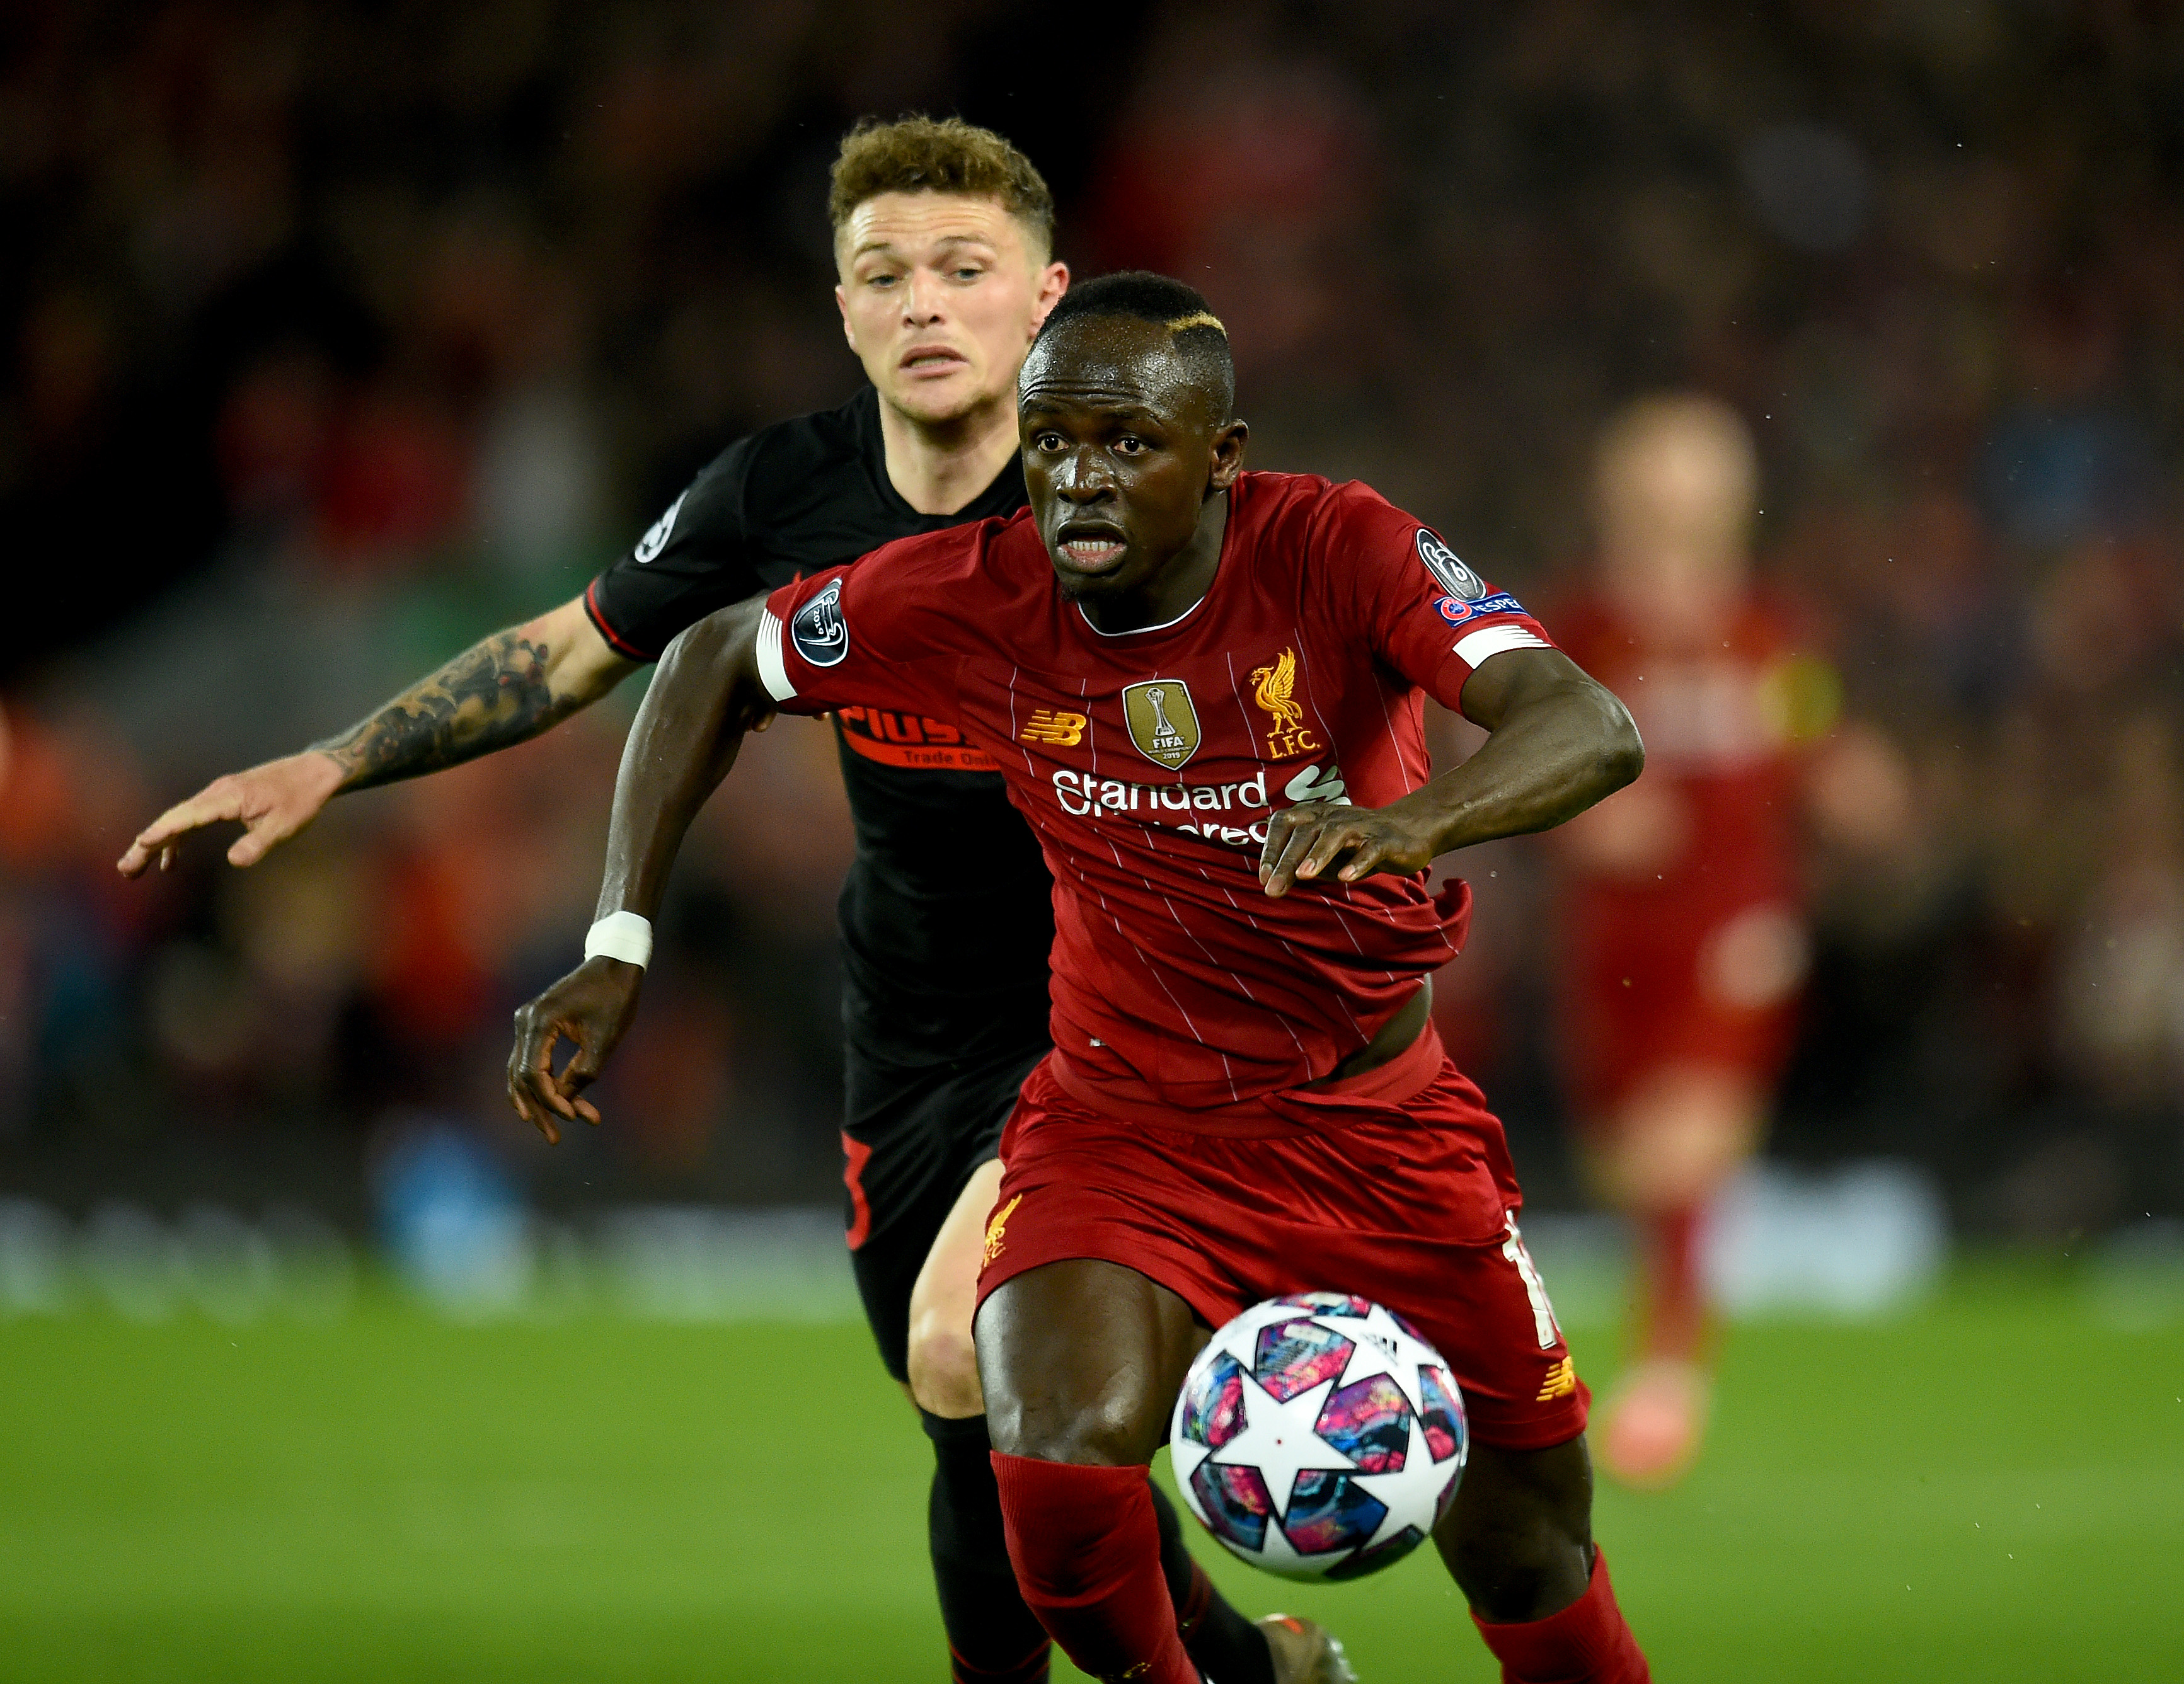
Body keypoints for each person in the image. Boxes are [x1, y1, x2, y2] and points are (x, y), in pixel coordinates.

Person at [118, 120, 1313, 1684]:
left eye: (965, 269)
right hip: (910, 1035)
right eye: (884, 274)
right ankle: (1259, 1668)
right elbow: (580, 649)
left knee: (968, 1349)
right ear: (843, 308)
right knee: (973, 1411)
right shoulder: (783, 488)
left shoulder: (1138, 499)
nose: (923, 303)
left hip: (1111, 1030)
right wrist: (337, 761)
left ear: (1047, 299)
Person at [512, 272, 1652, 1683]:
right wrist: (616, 942)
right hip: (1124, 1126)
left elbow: (1586, 724)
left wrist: (1414, 821)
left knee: (1528, 1547)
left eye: (1127, 442)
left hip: (1375, 1130)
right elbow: (708, 660)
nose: (1078, 479)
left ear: (1221, 458)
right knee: (1052, 1465)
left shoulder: (1338, 546)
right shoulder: (969, 592)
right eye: (1050, 441)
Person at [1547, 395, 1812, 1491]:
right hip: (1612, 939)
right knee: (1627, 1163)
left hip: (1732, 923)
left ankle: (1666, 1380)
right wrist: (1578, 811)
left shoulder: (1767, 628)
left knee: (1684, 1143)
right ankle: (1665, 1326)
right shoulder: (1580, 628)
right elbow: (1514, 747)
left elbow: (1807, 728)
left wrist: (1848, 775)